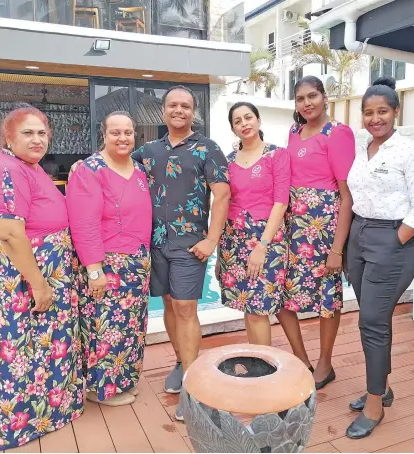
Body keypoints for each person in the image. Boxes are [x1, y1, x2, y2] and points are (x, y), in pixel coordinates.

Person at [0, 107, 83, 451]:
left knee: (44, 345)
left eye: (42, 133)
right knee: (17, 348)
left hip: (43, 268)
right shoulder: (7, 170)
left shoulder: (27, 167)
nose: (37, 140)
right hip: (24, 272)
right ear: (8, 138)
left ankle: (46, 413)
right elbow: (8, 232)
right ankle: (15, 426)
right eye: (27, 133)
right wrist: (38, 282)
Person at [345, 76, 414, 439]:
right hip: (359, 237)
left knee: (372, 321)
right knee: (374, 321)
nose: (375, 118)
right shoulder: (362, 148)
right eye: (368, 112)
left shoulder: (410, 152)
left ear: (395, 112)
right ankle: (382, 385)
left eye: (382, 111)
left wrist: (396, 239)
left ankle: (374, 403)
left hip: (392, 239)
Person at [132, 86, 230, 420]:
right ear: (163, 111)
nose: (179, 110)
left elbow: (223, 195)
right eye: (173, 105)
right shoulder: (147, 151)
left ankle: (193, 385)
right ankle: (180, 360)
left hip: (192, 245)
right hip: (156, 242)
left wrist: (211, 240)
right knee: (170, 305)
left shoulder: (208, 148)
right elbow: (116, 175)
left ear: (193, 112)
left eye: (185, 106)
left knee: (186, 307)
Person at [66, 111, 152, 406]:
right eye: (115, 132)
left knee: (131, 328)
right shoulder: (89, 171)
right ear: (103, 134)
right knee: (105, 327)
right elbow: (83, 223)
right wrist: (93, 270)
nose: (122, 138)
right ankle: (100, 389)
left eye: (128, 132)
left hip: (137, 262)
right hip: (106, 264)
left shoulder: (139, 169)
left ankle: (124, 381)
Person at [276, 76, 355, 388]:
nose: (307, 103)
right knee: (280, 295)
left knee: (327, 299)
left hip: (323, 228)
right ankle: (300, 359)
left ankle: (325, 363)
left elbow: (347, 195)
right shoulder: (293, 132)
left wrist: (338, 249)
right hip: (292, 226)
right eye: (300, 98)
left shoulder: (337, 133)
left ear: (324, 97)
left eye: (312, 96)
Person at [217, 102, 290, 346]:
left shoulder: (276, 155)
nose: (244, 124)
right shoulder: (227, 161)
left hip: (265, 239)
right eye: (237, 121)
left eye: (248, 117)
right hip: (233, 240)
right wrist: (219, 255)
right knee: (247, 306)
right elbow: (224, 204)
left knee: (259, 308)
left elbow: (280, 203)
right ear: (233, 128)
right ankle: (256, 360)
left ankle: (264, 369)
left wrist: (262, 246)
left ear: (258, 120)